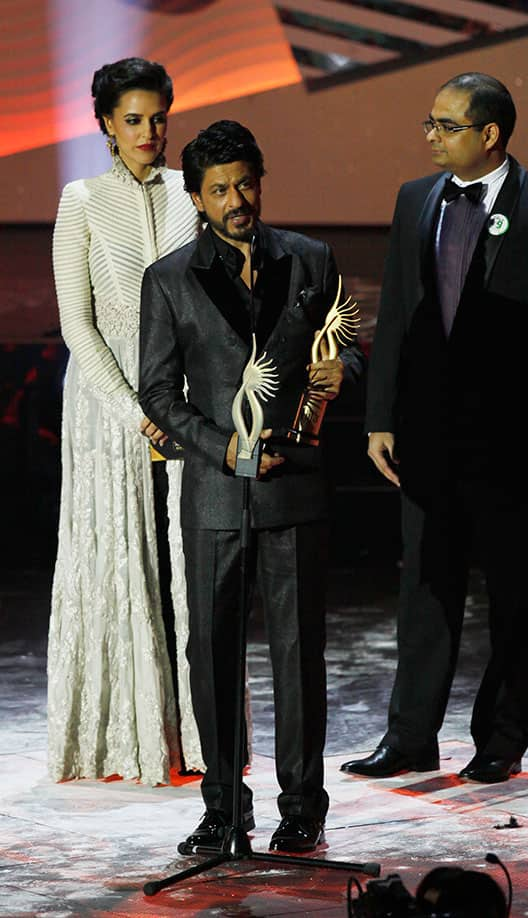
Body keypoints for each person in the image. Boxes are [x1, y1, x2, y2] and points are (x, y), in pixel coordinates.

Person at [341, 73, 528, 785]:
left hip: (511, 440)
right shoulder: (417, 199)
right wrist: (380, 416)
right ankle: (410, 737)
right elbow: (399, 318)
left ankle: (502, 738)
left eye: (445, 126)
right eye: (430, 123)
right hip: (427, 437)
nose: (431, 136)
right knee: (425, 587)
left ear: (490, 135)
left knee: (511, 591)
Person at [139, 120, 364, 851]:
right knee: (212, 656)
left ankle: (303, 810)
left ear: (259, 181)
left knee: (300, 657)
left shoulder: (310, 258)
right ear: (197, 199)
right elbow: (160, 395)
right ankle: (223, 808)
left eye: (245, 183)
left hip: (295, 488)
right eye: (219, 190)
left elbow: (346, 345)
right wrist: (226, 448)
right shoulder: (169, 279)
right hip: (213, 494)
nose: (236, 199)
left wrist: (345, 374)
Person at [48, 57, 204, 785]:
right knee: (122, 564)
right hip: (107, 406)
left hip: (187, 400)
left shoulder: (191, 192)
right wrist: (131, 408)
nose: (148, 132)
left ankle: (195, 738)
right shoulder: (80, 199)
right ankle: (122, 735)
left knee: (188, 564)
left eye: (159, 117)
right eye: (133, 119)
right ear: (105, 123)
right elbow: (76, 323)